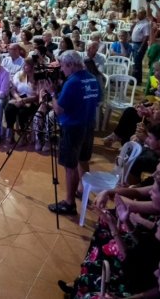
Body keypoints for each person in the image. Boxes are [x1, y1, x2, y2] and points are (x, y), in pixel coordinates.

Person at [47, 50, 101, 215]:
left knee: (70, 165)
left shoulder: (72, 82)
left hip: (72, 127)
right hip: (88, 124)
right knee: (83, 159)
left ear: (70, 65)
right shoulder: (92, 78)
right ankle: (80, 189)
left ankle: (69, 203)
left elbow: (59, 110)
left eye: (63, 66)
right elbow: (97, 100)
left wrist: (52, 93)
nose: (62, 69)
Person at [3, 57, 40, 144]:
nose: (24, 66)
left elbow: (37, 96)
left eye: (26, 65)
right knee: (9, 108)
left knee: (22, 112)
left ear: (32, 66)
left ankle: (23, 135)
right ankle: (10, 132)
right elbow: (13, 89)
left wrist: (24, 100)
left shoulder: (37, 77)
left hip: (32, 101)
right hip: (19, 98)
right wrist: (18, 98)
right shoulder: (20, 75)